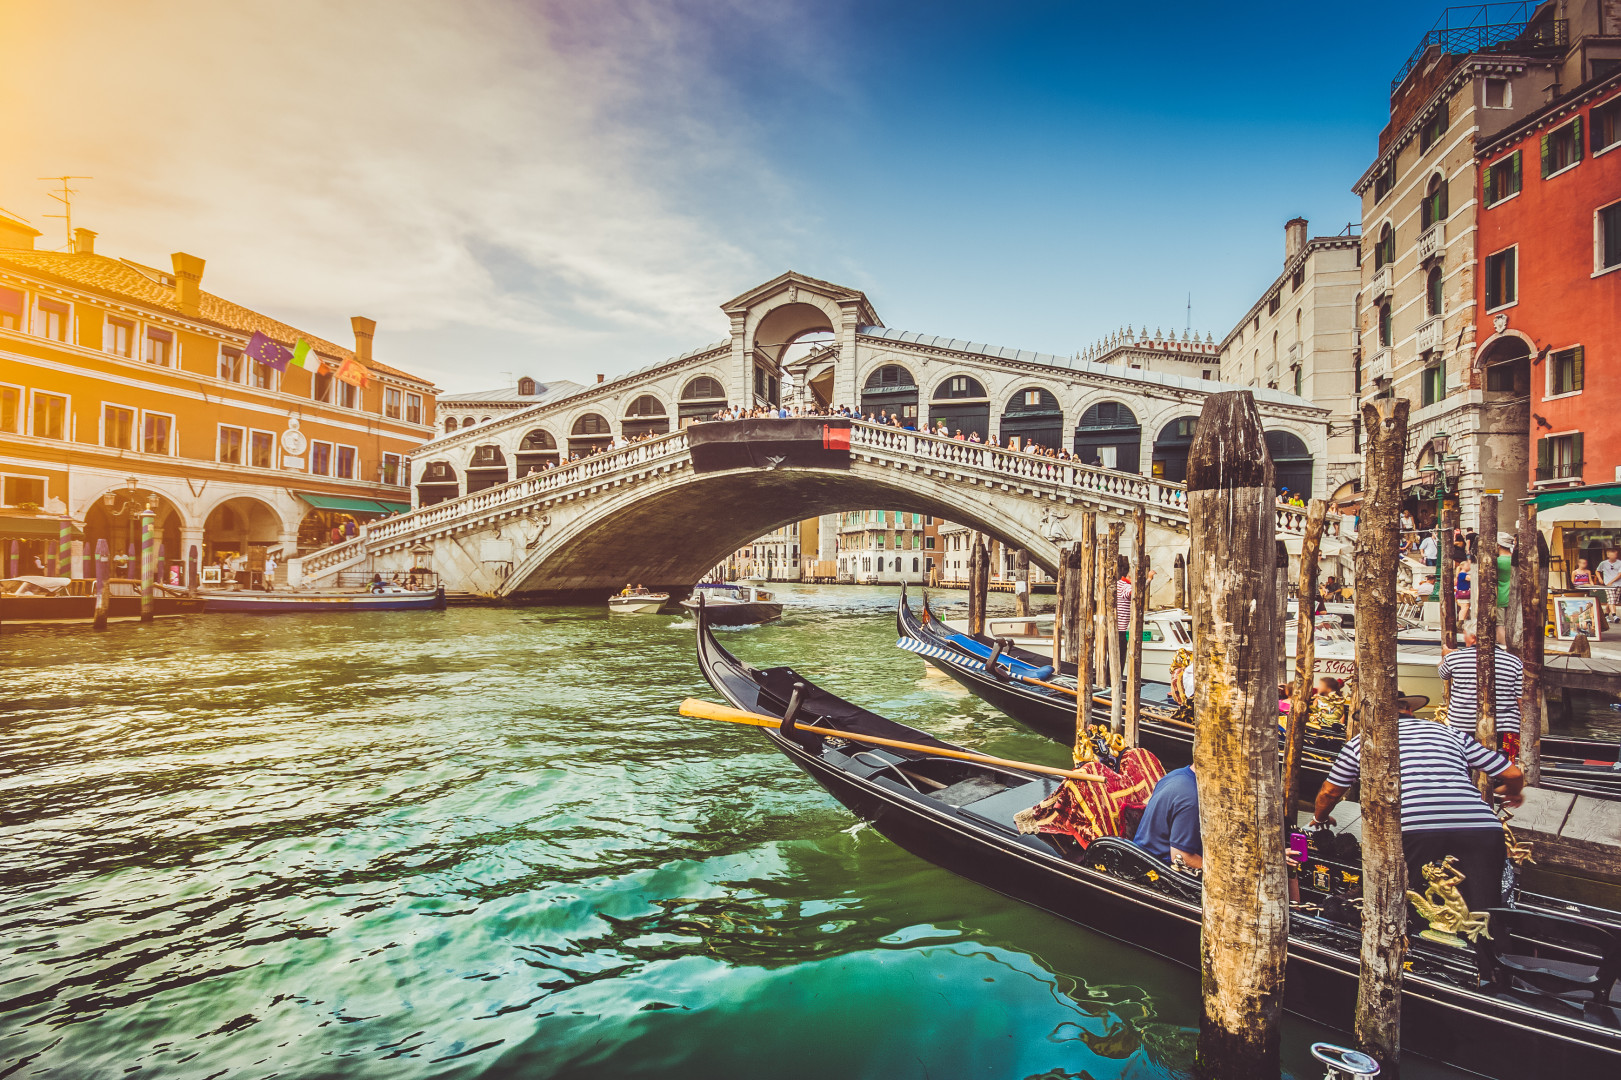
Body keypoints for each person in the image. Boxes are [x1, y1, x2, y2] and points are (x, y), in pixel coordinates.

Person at [1312, 700, 1523, 913]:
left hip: (1415, 829)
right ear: (1410, 710)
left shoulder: (1361, 742)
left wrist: (1320, 818)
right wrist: (1512, 791)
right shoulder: (1450, 733)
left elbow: (1329, 792)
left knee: (1417, 903)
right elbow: (1513, 774)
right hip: (1482, 827)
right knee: (1485, 904)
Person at [1439, 626, 1525, 756]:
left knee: (1465, 764)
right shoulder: (1514, 662)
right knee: (1502, 767)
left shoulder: (1454, 658)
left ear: (1473, 637)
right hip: (1505, 725)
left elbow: (1443, 674)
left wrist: (1445, 657)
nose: (1464, 638)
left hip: (1462, 725)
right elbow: (1521, 700)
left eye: (1465, 634)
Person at [1133, 765, 1201, 868]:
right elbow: (1181, 856)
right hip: (1158, 869)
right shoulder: (1193, 800)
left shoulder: (1176, 774)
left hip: (1145, 856)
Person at [1115, 555, 1156, 675]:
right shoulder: (1126, 587)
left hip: (1115, 626)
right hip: (1121, 628)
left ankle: (1110, 677)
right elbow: (1136, 593)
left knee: (1114, 655)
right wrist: (1149, 579)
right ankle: (1116, 677)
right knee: (1121, 655)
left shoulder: (1118, 583)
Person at [1599, 547, 1621, 619]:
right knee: (1612, 600)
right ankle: (1615, 616)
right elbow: (1597, 571)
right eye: (1612, 555)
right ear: (1608, 555)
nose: (1614, 556)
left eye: (1615, 555)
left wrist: (1611, 581)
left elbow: (1619, 574)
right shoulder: (1603, 563)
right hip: (1608, 585)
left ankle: (1606, 615)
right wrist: (1600, 579)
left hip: (1618, 584)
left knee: (1612, 601)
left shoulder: (1620, 563)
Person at [1454, 557, 1472, 625]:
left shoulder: (1461, 574)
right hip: (1464, 593)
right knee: (1465, 607)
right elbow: (1470, 578)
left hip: (1462, 593)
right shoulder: (1462, 574)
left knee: (1465, 607)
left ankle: (1462, 622)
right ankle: (1460, 623)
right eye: (1468, 565)